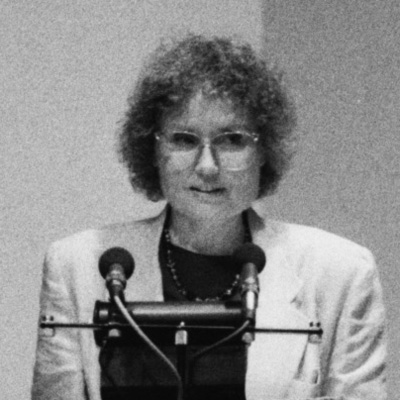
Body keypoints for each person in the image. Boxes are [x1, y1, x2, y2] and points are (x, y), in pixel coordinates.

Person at [32, 33, 387, 400]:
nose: (207, 166)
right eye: (184, 140)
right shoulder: (76, 265)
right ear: (153, 152)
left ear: (264, 150)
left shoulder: (340, 274)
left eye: (231, 140)